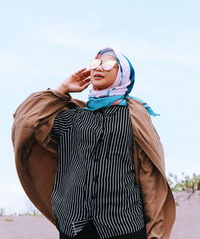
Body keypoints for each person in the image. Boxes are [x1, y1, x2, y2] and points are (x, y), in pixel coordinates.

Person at [12, 47, 175, 239]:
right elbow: (27, 121)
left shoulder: (134, 116)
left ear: (122, 73)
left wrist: (156, 231)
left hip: (124, 225)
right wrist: (61, 90)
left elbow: (149, 174)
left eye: (107, 64)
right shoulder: (71, 118)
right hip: (74, 227)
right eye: (95, 64)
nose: (99, 68)